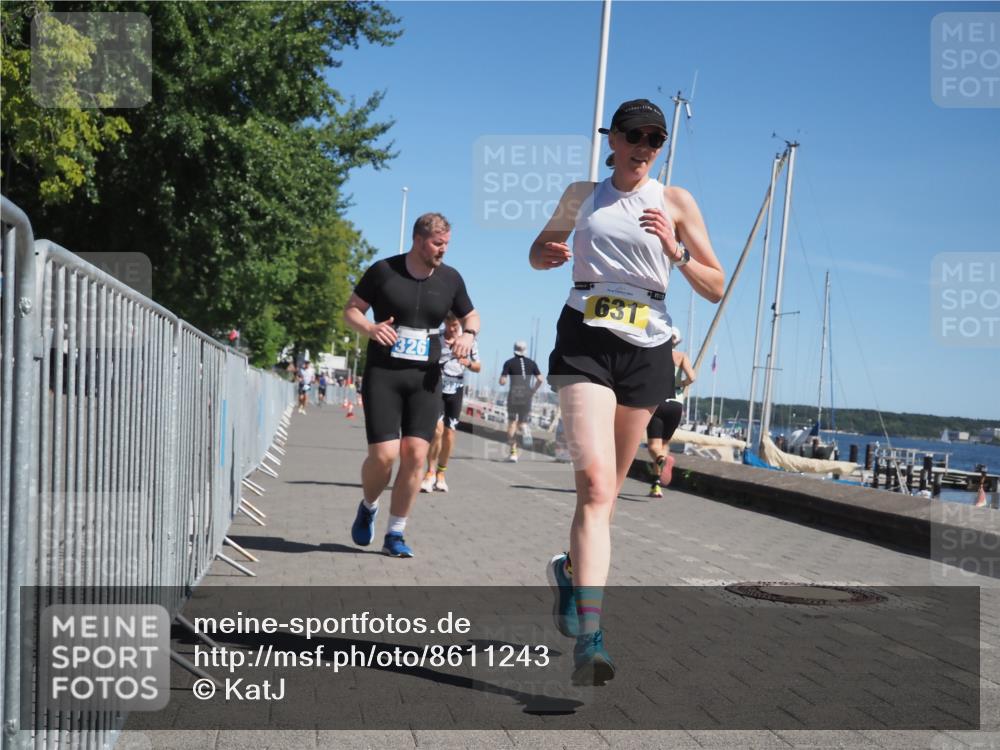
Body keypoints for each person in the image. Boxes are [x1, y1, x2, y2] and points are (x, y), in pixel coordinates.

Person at [529, 99, 723, 684]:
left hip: (648, 346)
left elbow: (715, 286)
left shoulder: (676, 201)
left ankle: (570, 571)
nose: (643, 145)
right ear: (611, 138)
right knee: (591, 484)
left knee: (606, 497)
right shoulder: (580, 194)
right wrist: (549, 254)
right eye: (633, 134)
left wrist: (677, 250)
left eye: (654, 139)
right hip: (585, 334)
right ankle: (591, 638)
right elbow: (538, 255)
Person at [343, 213, 480, 557]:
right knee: (384, 456)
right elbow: (352, 311)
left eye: (447, 244)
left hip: (426, 379)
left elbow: (471, 315)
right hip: (384, 375)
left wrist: (468, 334)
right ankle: (369, 505)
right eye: (437, 244)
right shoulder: (383, 271)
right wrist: (371, 329)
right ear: (419, 241)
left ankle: (395, 534)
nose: (443, 250)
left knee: (416, 455)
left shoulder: (451, 279)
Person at [421, 312, 482, 493]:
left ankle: (441, 473)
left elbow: (479, 366)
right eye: (448, 325)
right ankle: (430, 472)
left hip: (456, 388)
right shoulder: (436, 337)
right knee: (437, 430)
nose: (452, 329)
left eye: (455, 325)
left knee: (449, 434)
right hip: (437, 386)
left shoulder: (468, 340)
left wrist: (466, 362)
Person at [645, 327, 695, 497]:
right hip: (676, 405)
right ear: (677, 341)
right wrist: (681, 384)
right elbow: (692, 377)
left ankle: (660, 458)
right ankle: (656, 485)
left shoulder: (654, 354)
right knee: (664, 444)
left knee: (654, 446)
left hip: (657, 403)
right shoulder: (681, 357)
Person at [499, 342, 543, 462]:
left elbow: (502, 380)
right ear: (525, 351)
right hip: (527, 396)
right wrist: (533, 390)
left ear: (514, 350)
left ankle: (513, 453)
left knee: (512, 423)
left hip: (514, 395)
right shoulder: (532, 363)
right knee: (521, 422)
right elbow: (540, 379)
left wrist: (502, 380)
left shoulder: (509, 363)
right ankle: (524, 426)